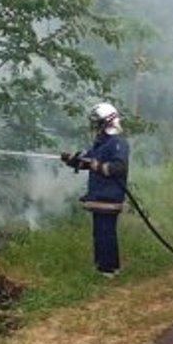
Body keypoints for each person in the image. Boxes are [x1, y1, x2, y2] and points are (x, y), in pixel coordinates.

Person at [61, 102, 129, 277]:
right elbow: (87, 161)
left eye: (98, 122)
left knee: (106, 234)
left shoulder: (117, 143)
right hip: (99, 196)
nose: (95, 126)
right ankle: (104, 267)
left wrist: (95, 164)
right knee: (99, 234)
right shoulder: (101, 143)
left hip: (110, 196)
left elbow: (118, 168)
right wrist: (71, 160)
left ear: (108, 122)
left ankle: (108, 269)